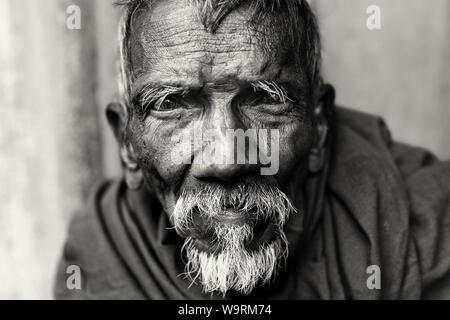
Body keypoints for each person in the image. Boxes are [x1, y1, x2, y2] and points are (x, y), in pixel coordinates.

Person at [54, 0, 450, 299]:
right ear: (126, 141)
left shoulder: (426, 226)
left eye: (265, 99)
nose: (226, 159)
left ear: (320, 125)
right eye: (172, 104)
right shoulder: (99, 258)